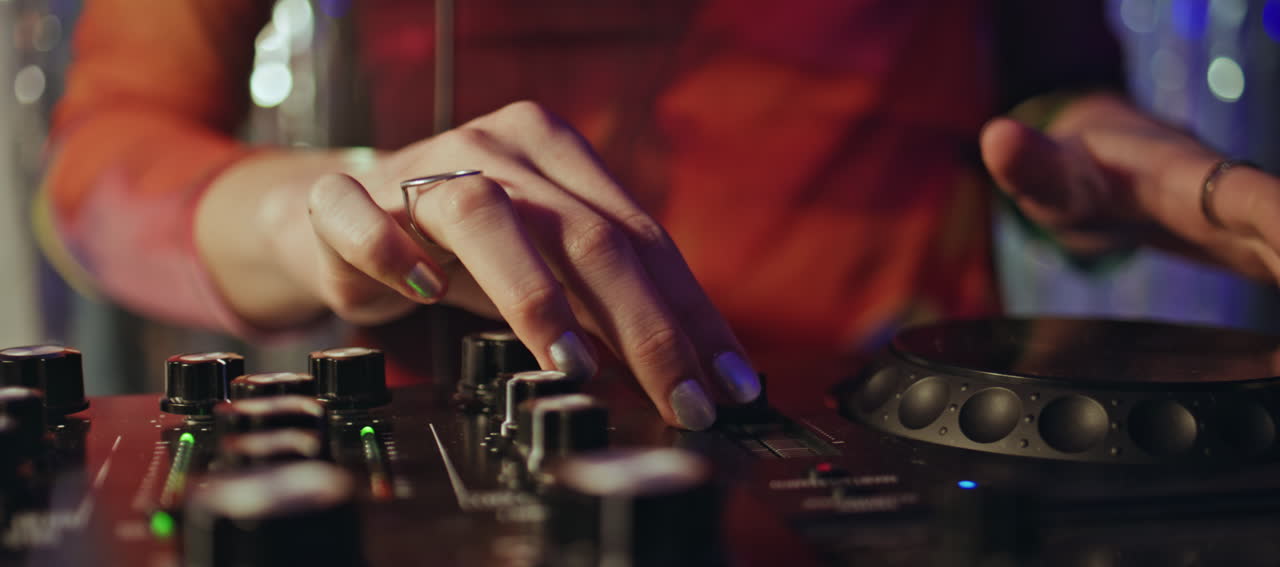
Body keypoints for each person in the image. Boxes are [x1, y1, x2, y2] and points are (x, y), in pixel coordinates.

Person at [44, 0, 1280, 429]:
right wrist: (332, 222)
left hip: (906, 460)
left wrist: (1144, 170)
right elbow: (100, 172)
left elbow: (1044, 91)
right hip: (468, 508)